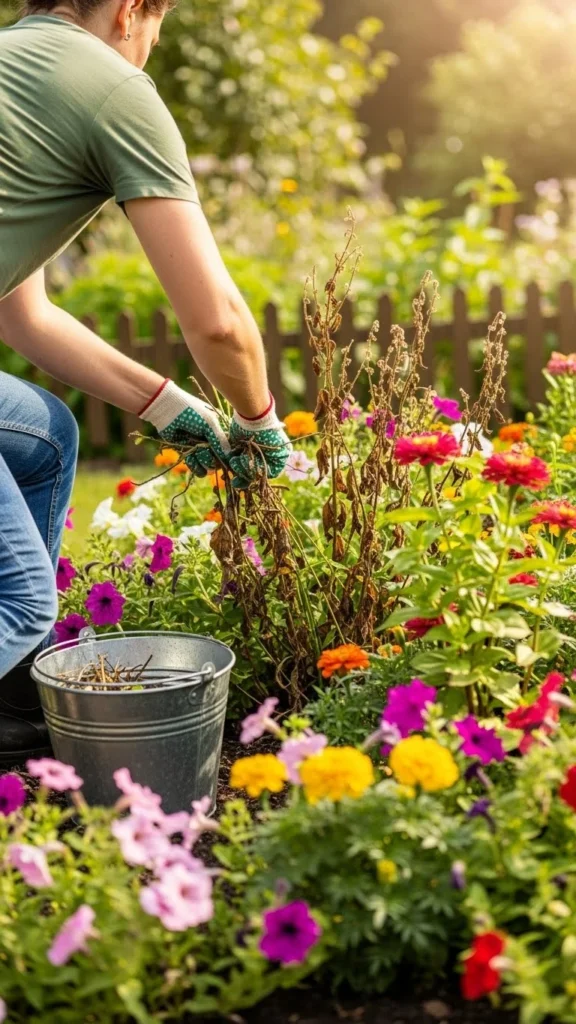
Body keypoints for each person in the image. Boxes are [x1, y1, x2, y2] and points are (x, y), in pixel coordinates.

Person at [0, 0, 291, 763]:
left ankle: (9, 710)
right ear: (132, 11)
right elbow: (220, 320)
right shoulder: (114, 86)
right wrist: (260, 423)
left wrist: (169, 406)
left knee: (44, 434)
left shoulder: (17, 68)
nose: (149, 51)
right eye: (157, 32)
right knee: (22, 603)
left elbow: (24, 317)